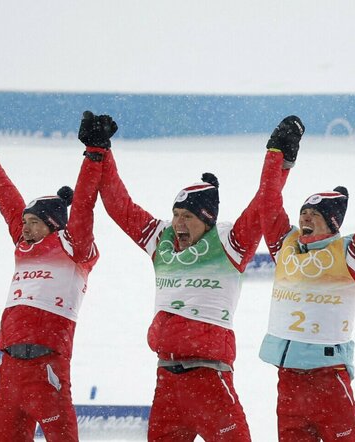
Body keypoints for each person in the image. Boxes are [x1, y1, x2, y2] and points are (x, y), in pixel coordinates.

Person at [95, 116, 303, 441]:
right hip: (167, 382)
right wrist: (100, 151)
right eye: (176, 214)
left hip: (210, 380)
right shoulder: (160, 238)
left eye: (187, 217)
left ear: (206, 220)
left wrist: (279, 157)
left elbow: (263, 202)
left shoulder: (230, 243)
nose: (178, 223)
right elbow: (118, 205)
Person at [259, 128, 355, 441]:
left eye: (314, 214)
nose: (306, 218)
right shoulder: (285, 245)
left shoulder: (351, 253)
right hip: (287, 381)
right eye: (304, 212)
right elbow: (268, 204)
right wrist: (275, 155)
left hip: (329, 379)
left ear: (333, 224)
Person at [0, 111, 115, 441]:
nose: (24, 227)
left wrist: (94, 156)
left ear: (53, 224)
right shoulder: (24, 244)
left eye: (33, 222)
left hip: (47, 369)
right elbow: (7, 201)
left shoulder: (73, 246)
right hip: (9, 371)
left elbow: (83, 205)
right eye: (24, 222)